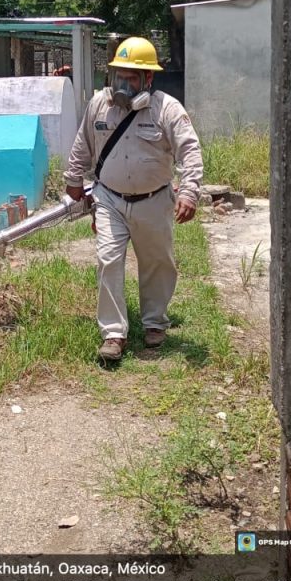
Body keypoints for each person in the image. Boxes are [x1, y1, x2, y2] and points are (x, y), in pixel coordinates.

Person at [64, 36, 203, 360]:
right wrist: (73, 179)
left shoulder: (167, 109)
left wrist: (190, 191)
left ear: (148, 78)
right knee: (108, 260)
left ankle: (155, 322)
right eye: (119, 76)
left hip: (154, 200)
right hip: (109, 199)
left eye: (131, 78)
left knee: (157, 263)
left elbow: (190, 151)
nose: (123, 84)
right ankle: (113, 334)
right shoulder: (98, 105)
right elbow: (83, 144)